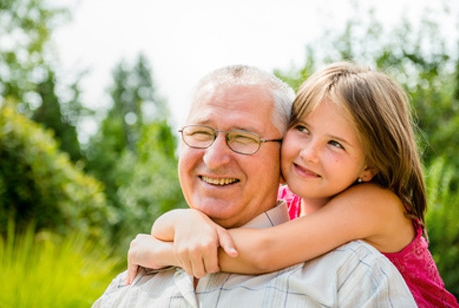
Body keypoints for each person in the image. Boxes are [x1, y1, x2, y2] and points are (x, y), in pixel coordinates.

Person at [128, 62, 458, 307]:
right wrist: (188, 219)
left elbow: (263, 253)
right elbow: (193, 224)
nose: (308, 153)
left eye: (336, 144)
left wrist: (165, 251)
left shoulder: (376, 205)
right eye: (302, 129)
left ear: (370, 166)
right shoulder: (290, 198)